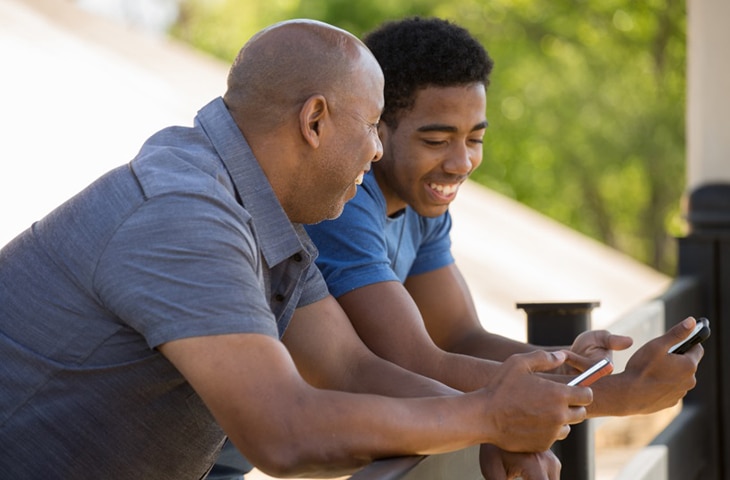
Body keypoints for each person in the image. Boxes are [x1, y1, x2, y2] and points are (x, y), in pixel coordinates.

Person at [0, 19, 593, 480]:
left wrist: (496, 426)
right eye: (371, 126)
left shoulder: (263, 212)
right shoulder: (185, 212)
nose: (377, 153)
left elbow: (349, 368)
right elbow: (282, 432)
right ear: (315, 121)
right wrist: (485, 416)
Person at [305, 15, 703, 425]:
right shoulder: (343, 201)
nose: (461, 163)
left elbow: (461, 337)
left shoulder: (421, 200)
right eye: (436, 141)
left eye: (475, 139)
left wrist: (568, 365)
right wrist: (613, 396)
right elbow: (415, 360)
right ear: (377, 129)